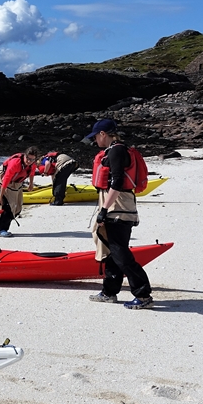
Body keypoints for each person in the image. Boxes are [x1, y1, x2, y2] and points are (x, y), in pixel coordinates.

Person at [84, 119, 153, 309]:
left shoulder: (116, 151)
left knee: (120, 253)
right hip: (117, 207)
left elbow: (117, 182)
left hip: (118, 209)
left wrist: (104, 210)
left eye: (96, 136)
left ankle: (143, 295)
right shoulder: (116, 150)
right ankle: (109, 292)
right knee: (112, 253)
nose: (95, 140)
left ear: (103, 134)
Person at [0, 146, 40, 237]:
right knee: (9, 206)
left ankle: (6, 220)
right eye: (28, 158)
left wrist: (31, 184)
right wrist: (0, 198)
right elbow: (5, 181)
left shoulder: (32, 164)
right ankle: (1, 229)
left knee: (18, 208)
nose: (29, 161)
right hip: (3, 179)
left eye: (32, 159)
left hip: (16, 182)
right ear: (25, 155)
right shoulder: (15, 163)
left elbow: (32, 173)